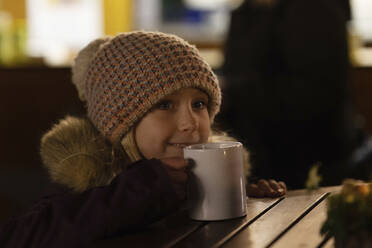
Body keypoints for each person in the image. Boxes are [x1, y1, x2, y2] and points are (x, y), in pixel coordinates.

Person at [0, 31, 286, 248]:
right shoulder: (87, 178)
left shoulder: (198, 174)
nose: (190, 123)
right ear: (119, 123)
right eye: (164, 105)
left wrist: (246, 198)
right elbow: (20, 236)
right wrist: (144, 189)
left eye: (199, 104)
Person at [218, 0, 371, 189]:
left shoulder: (316, 9)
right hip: (260, 160)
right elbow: (233, 70)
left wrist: (232, 91)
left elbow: (317, 93)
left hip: (313, 164)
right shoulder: (246, 11)